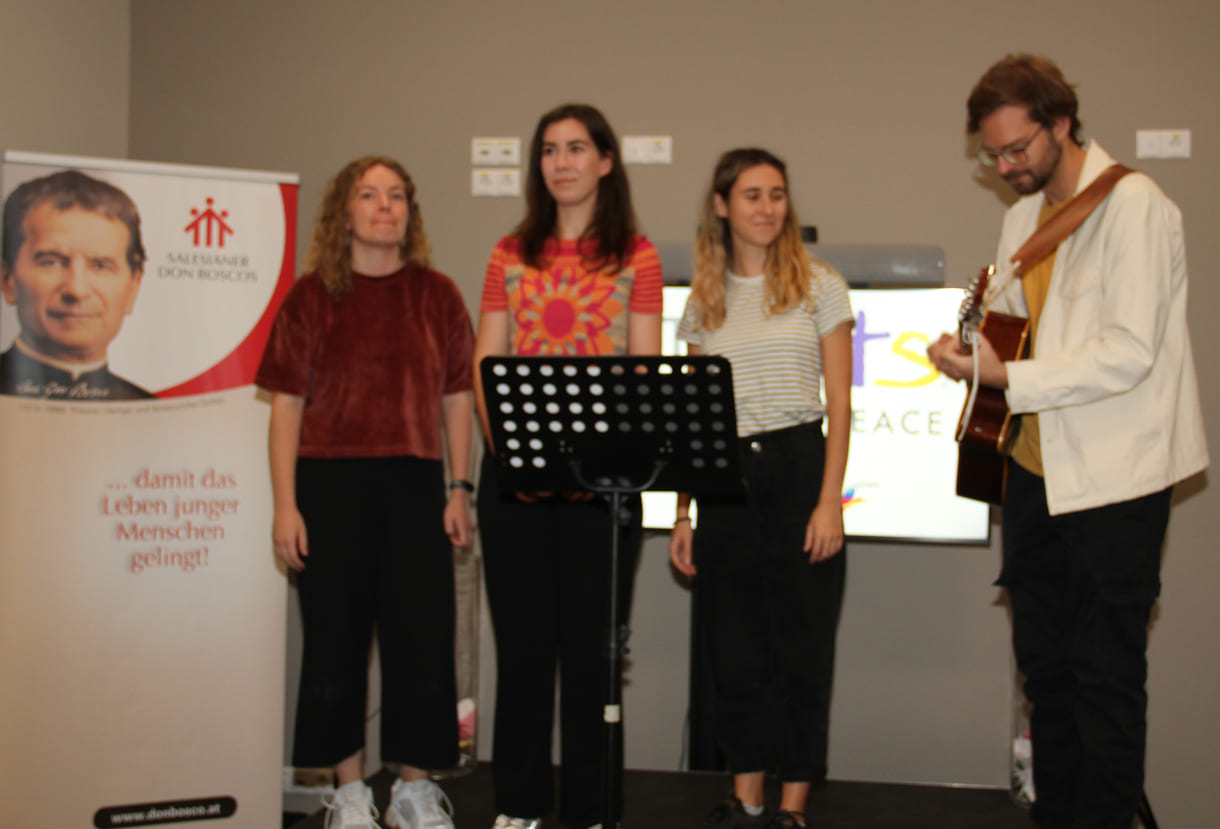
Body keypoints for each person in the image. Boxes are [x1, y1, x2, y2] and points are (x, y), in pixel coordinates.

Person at [929, 54, 1208, 828]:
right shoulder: (1022, 218)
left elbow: (1127, 352)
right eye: (993, 155)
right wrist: (969, 356)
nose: (1005, 166)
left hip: (1117, 483)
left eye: (1017, 148)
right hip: (1033, 474)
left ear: (1060, 124)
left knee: (1106, 679)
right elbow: (1017, 336)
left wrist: (1007, 379)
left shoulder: (1137, 207)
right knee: (1045, 676)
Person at [256, 156, 474, 829]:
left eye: (398, 195)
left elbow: (458, 396)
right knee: (335, 642)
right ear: (343, 212)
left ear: (410, 212)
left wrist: (459, 486)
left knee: (421, 640)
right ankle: (350, 793)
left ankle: (412, 790)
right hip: (328, 485)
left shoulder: (437, 294)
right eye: (370, 195)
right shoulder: (311, 296)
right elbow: (285, 407)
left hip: (415, 486)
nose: (385, 206)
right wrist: (286, 504)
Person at [472, 103, 663, 829]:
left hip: (601, 483)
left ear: (606, 161)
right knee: (522, 654)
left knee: (592, 659)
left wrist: (601, 457)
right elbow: (487, 360)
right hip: (514, 477)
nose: (561, 162)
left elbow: (643, 370)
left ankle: (590, 810)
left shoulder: (637, 256)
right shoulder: (508, 252)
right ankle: (519, 807)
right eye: (549, 150)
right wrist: (512, 453)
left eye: (577, 148)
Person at [668, 148, 853, 829]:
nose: (766, 207)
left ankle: (793, 804)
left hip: (800, 469)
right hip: (724, 482)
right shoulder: (704, 299)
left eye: (777, 194)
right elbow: (692, 415)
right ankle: (746, 795)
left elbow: (841, 403)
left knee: (802, 650)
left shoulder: (821, 285)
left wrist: (829, 499)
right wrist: (684, 510)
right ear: (722, 206)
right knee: (736, 651)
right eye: (751, 195)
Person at [0, 169, 152, 400]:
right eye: (51, 262)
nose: (76, 290)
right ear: (8, 280)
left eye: (100, 266)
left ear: (133, 288)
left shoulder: (147, 412)